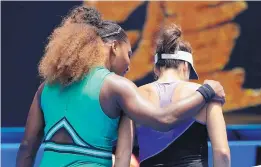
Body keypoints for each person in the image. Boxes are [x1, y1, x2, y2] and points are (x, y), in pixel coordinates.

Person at [16, 6, 225, 167]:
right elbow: (164, 119)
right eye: (128, 54)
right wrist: (207, 91)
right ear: (114, 47)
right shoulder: (116, 86)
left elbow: (27, 146)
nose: (129, 65)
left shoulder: (46, 87)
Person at [128, 24, 229, 167]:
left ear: (156, 69)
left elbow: (125, 152)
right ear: (186, 67)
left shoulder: (135, 95)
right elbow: (222, 152)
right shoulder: (207, 94)